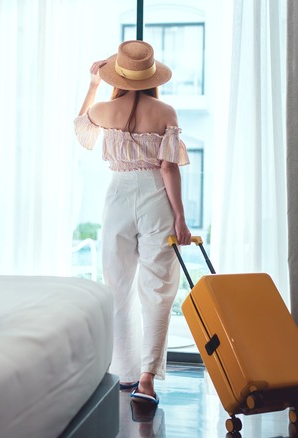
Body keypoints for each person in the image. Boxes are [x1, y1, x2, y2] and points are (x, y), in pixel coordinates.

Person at [73, 40, 192, 405]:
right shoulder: (166, 111)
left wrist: (93, 85)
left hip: (118, 196)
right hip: (156, 196)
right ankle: (146, 379)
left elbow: (80, 129)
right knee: (158, 290)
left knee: (118, 286)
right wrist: (180, 218)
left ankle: (124, 372)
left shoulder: (106, 109)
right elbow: (169, 168)